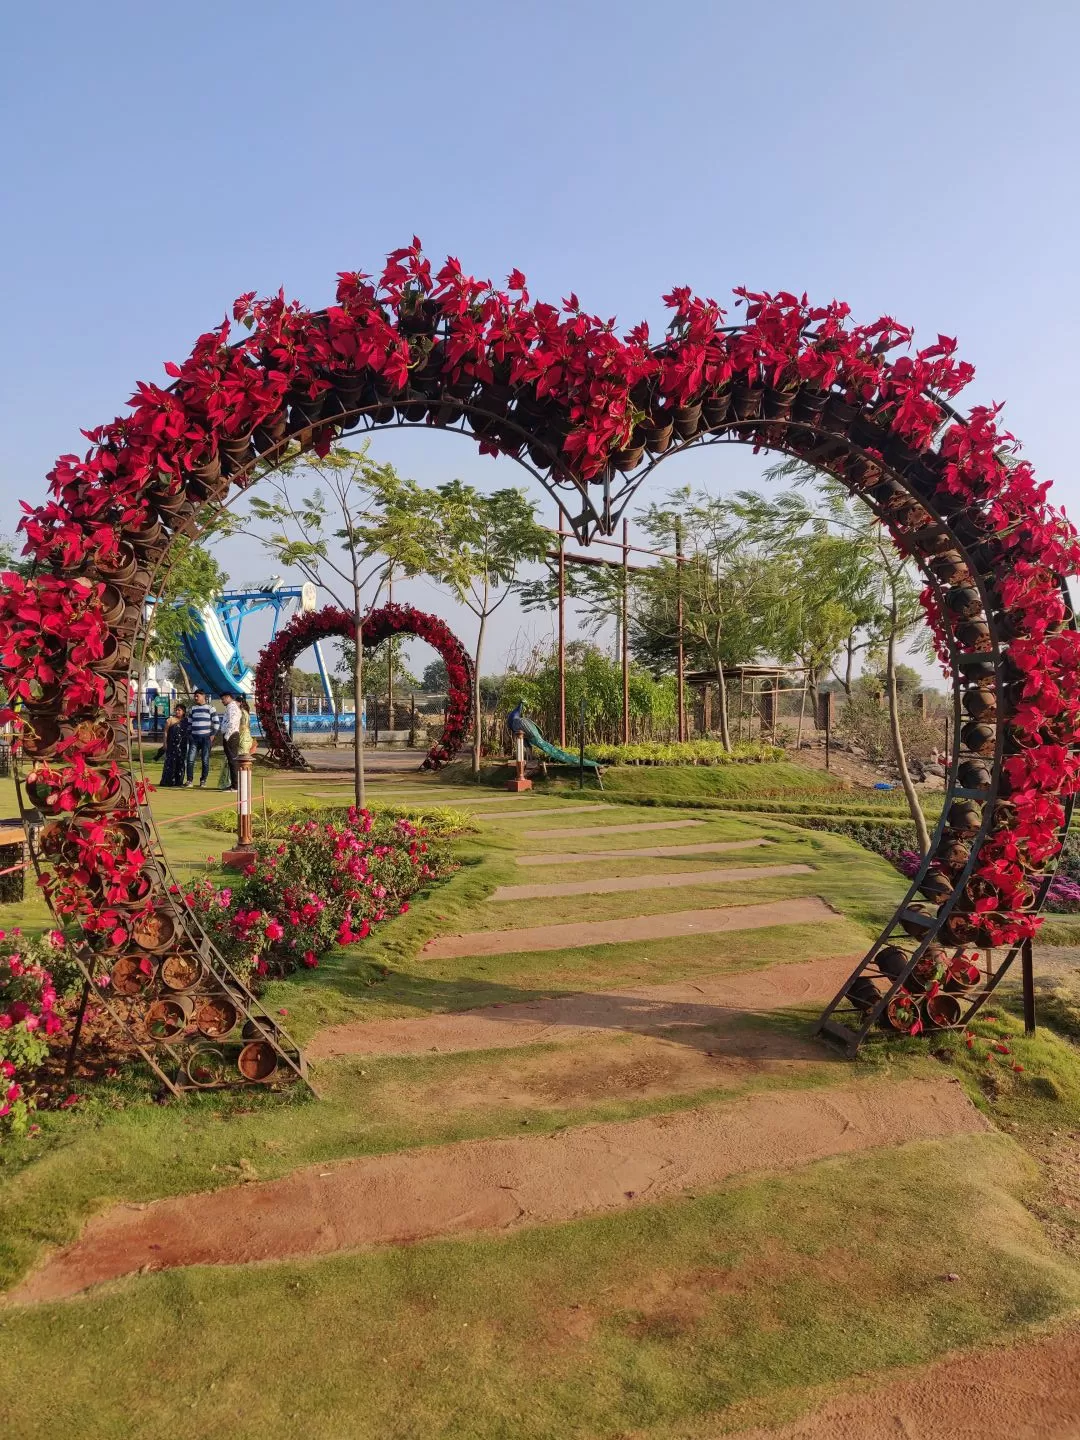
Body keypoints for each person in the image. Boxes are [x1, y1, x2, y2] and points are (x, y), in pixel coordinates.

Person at [186, 691, 216, 788]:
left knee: (205, 760)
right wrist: (189, 735)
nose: (195, 698)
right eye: (194, 696)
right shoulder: (193, 709)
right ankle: (189, 781)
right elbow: (189, 723)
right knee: (190, 759)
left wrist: (212, 735)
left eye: (197, 696)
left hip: (206, 738)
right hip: (194, 738)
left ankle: (203, 780)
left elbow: (216, 723)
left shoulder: (210, 708)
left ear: (203, 696)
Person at [159, 705, 190, 787]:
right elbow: (165, 732)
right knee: (170, 762)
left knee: (180, 762)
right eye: (176, 710)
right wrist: (164, 743)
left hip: (182, 746)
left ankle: (178, 782)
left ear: (183, 712)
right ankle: (168, 782)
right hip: (171, 745)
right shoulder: (170, 720)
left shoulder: (186, 721)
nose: (177, 712)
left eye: (179, 710)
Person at [220, 692, 242, 790]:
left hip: (231, 736)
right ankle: (234, 784)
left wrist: (227, 736)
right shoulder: (230, 707)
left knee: (233, 760)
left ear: (228, 697)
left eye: (223, 699)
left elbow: (233, 722)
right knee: (231, 760)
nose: (222, 701)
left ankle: (235, 786)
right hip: (230, 735)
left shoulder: (232, 708)